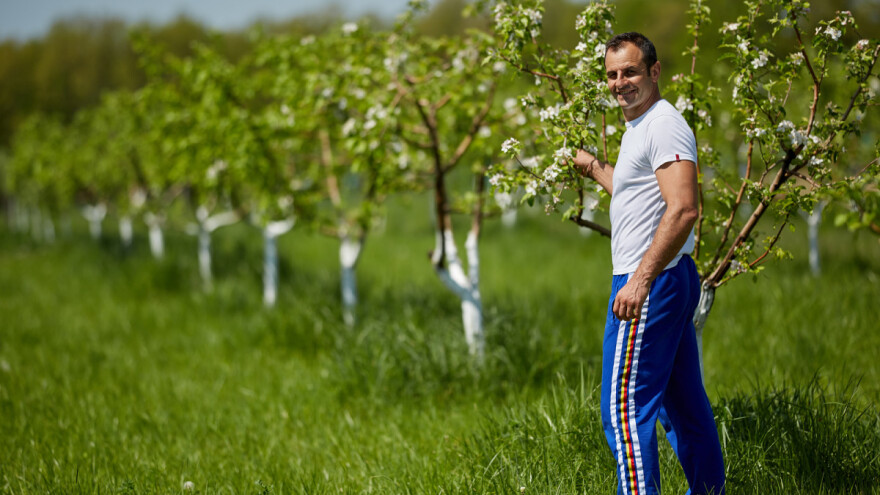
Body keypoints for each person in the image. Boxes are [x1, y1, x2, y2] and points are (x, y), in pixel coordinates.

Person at [572, 32, 726, 495]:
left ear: (654, 71)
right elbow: (637, 193)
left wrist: (640, 281)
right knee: (683, 407)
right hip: (663, 278)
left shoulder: (663, 124)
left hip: (651, 281)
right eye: (612, 74)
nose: (620, 82)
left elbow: (683, 209)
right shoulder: (640, 126)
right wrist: (593, 167)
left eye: (630, 72)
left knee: (623, 411)